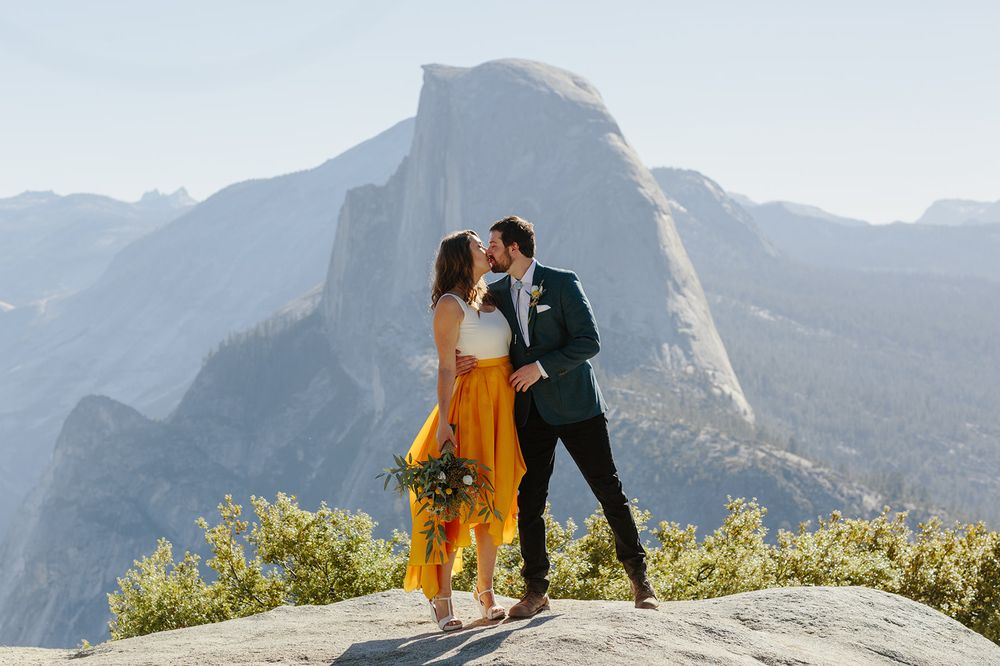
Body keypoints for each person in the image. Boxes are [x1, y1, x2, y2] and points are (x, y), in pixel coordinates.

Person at [470, 215, 659, 617]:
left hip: (577, 406)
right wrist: (461, 358)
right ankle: (536, 591)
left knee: (608, 490)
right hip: (529, 411)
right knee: (530, 499)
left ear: (515, 249)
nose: (490, 252)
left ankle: (641, 582)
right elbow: (474, 324)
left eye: (495, 246)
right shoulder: (497, 293)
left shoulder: (562, 282)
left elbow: (589, 341)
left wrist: (539, 368)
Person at [402, 230, 527, 632]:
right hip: (468, 407)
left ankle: (486, 591)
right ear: (462, 256)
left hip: (501, 407)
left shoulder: (491, 297)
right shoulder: (450, 305)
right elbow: (444, 366)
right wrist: (443, 423)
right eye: (479, 246)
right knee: (452, 502)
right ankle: (441, 598)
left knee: (492, 497)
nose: (486, 250)